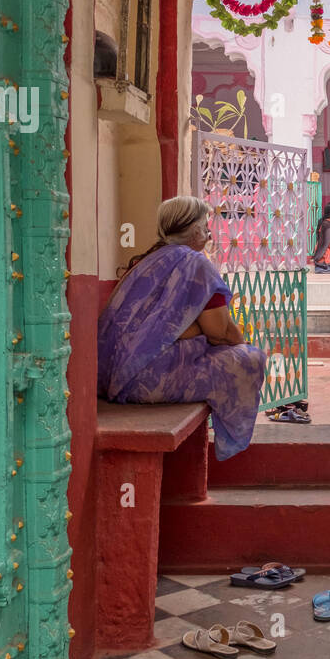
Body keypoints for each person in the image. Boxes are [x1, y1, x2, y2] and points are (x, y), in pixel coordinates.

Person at [97, 196, 267, 461]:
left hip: (111, 380)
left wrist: (192, 329)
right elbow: (220, 332)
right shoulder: (196, 264)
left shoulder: (147, 261)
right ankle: (235, 447)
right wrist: (232, 339)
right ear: (196, 229)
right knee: (250, 359)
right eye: (205, 224)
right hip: (147, 382)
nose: (209, 231)